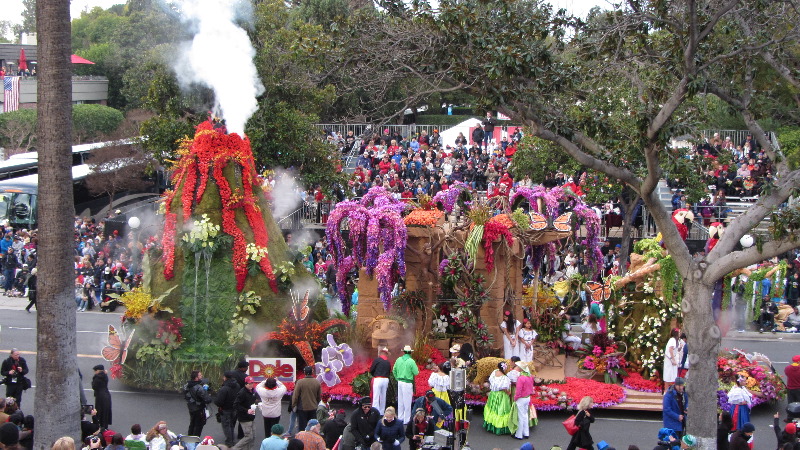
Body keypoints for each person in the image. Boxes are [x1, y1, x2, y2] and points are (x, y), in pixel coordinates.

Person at [483, 362, 512, 435]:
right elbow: (504, 388)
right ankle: (499, 428)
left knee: (493, 409)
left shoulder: (494, 372)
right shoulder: (505, 378)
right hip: (501, 395)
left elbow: (491, 380)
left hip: (493, 394)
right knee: (501, 411)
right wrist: (508, 393)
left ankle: (490, 425)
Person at [392, 345, 418, 424]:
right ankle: (406, 420)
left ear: (403, 352)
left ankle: (400, 417)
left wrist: (397, 378)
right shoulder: (411, 361)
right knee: (407, 402)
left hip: (400, 382)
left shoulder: (398, 359)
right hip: (407, 382)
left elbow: (394, 370)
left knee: (400, 401)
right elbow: (416, 372)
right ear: (410, 352)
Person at [232, 376, 259, 450]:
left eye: (252, 383)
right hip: (244, 418)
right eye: (249, 383)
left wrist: (257, 404)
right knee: (248, 437)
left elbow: (253, 400)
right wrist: (246, 410)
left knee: (253, 436)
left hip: (251, 416)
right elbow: (236, 405)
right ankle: (235, 448)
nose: (251, 385)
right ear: (245, 384)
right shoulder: (242, 393)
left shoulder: (252, 391)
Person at [292, 366, 321, 432]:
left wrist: (294, 405)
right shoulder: (317, 382)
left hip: (302, 408)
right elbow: (319, 396)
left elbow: (295, 395)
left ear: (304, 372)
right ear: (312, 372)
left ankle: (302, 440)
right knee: (312, 426)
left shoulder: (300, 382)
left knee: (302, 427)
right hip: (313, 407)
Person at [184, 370, 213, 437]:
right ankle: (195, 441)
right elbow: (207, 399)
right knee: (198, 426)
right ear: (196, 378)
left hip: (191, 407)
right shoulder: (199, 388)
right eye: (200, 375)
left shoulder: (187, 385)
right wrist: (206, 391)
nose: (201, 376)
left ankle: (189, 439)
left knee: (192, 424)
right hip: (199, 408)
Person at [215, 371, 240, 447]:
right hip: (234, 408)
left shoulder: (224, 388)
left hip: (225, 409)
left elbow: (218, 401)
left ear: (225, 377)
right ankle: (232, 439)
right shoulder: (237, 386)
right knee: (232, 425)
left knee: (226, 426)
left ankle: (229, 442)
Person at [513, 362, 533, 440]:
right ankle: (526, 432)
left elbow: (518, 390)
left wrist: (515, 398)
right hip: (527, 398)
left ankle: (519, 434)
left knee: (520, 416)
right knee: (525, 415)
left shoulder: (521, 378)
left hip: (521, 399)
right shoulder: (530, 376)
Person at [369, 347, 391, 415]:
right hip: (385, 380)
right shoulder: (388, 362)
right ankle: (381, 412)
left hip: (378, 379)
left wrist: (374, 375)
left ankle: (375, 412)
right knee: (383, 396)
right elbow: (389, 371)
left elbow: (371, 370)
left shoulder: (377, 360)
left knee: (376, 396)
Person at [92, 365, 112, 429]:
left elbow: (94, 386)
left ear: (98, 371)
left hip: (100, 397)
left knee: (100, 411)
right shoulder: (105, 376)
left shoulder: (97, 378)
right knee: (105, 411)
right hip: (106, 394)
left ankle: (99, 426)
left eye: (95, 371)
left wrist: (95, 377)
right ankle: (105, 426)